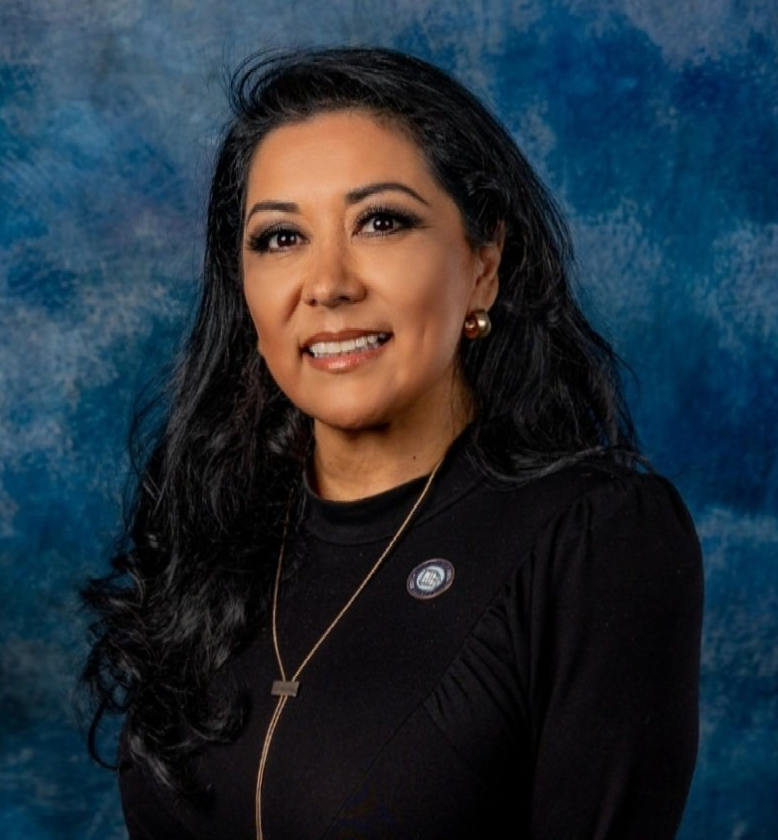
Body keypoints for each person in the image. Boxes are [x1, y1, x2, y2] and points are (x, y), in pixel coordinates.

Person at [81, 47, 704, 839]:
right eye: (279, 238)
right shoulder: (210, 532)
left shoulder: (597, 538)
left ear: (484, 264)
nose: (328, 282)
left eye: (381, 222)